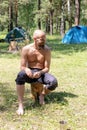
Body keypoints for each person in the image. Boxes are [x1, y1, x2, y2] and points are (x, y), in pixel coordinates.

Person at [15, 29, 58, 115]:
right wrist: (27, 70)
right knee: (20, 76)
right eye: (41, 39)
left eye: (44, 39)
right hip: (30, 72)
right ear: (35, 39)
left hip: (42, 73)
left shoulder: (47, 50)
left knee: (53, 82)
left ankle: (42, 94)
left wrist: (40, 73)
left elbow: (47, 68)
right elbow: (22, 66)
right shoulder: (26, 49)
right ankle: (20, 105)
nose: (43, 41)